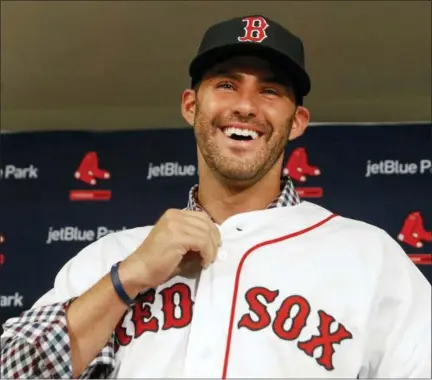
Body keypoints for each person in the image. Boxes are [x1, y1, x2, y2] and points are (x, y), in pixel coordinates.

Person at [1, 14, 431, 379]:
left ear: (298, 121)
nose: (245, 105)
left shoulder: (368, 257)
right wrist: (128, 278)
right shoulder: (110, 258)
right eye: (227, 84)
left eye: (270, 90)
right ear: (191, 105)